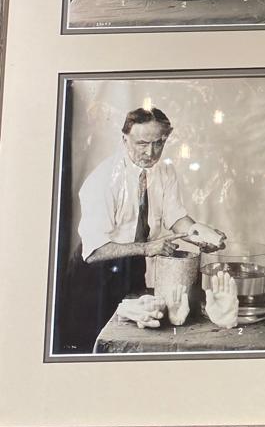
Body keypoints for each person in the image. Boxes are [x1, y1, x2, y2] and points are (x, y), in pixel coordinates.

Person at [54, 106, 228, 354]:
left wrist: (202, 235)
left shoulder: (165, 171)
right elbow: (93, 252)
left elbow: (176, 217)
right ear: (124, 139)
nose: (150, 152)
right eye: (142, 143)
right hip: (93, 274)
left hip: (133, 266)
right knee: (90, 346)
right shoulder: (104, 179)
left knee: (130, 342)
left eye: (158, 143)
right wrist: (147, 248)